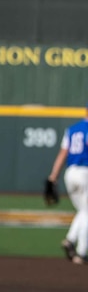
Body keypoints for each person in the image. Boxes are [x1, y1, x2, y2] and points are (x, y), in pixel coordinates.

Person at [46, 107, 88, 265]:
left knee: (83, 210)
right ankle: (81, 252)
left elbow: (63, 153)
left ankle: (70, 240)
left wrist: (53, 176)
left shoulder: (72, 129)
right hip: (85, 172)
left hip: (70, 173)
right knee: (87, 212)